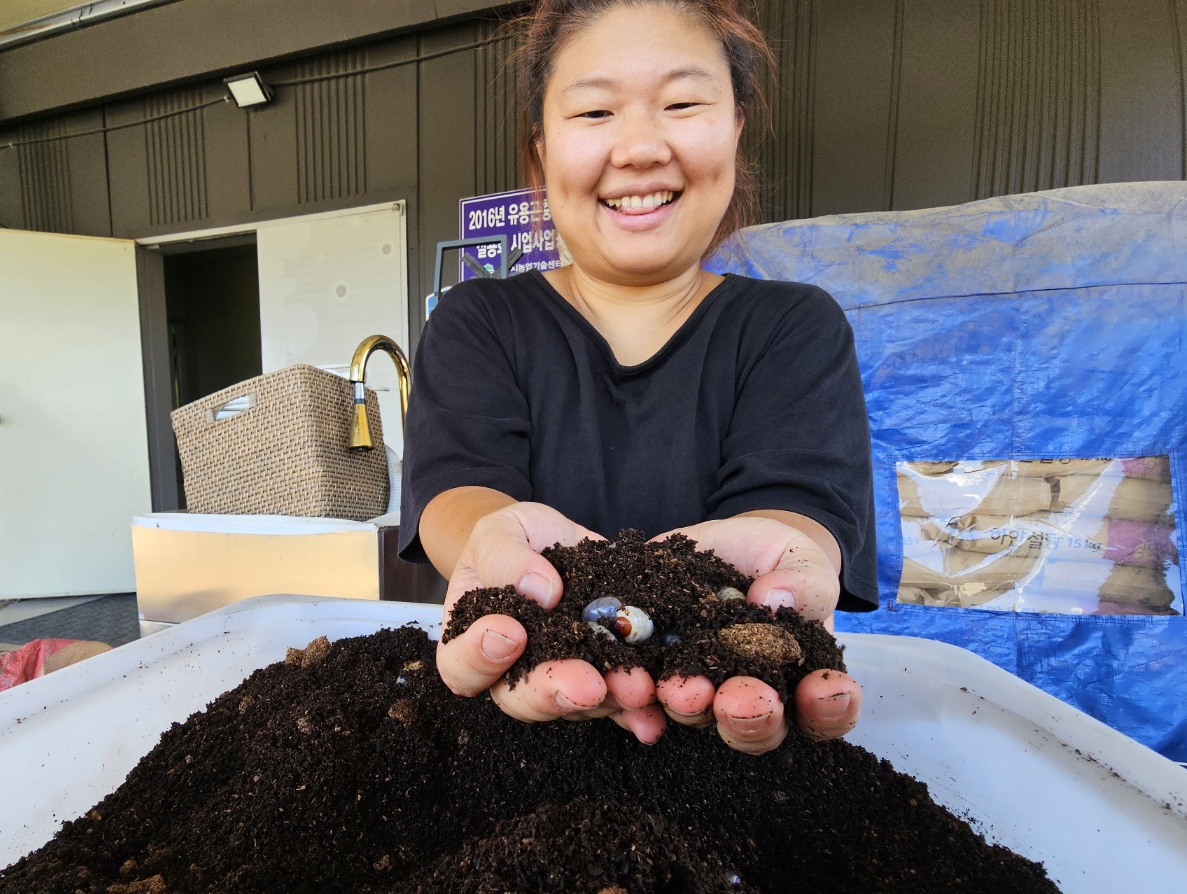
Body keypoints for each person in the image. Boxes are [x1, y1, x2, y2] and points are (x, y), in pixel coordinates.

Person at [399, 0, 877, 755]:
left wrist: (785, 562)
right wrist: (497, 545)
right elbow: (457, 488)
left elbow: (800, 505)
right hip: (505, 726)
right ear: (541, 152)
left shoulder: (793, 326)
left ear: (735, 128)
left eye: (682, 104)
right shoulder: (478, 319)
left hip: (729, 741)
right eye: (594, 111)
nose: (639, 148)